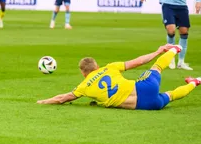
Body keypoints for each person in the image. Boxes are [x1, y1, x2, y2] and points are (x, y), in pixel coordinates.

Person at [37, 44, 201, 110]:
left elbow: (63, 99)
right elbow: (137, 62)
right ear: (97, 67)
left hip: (145, 105)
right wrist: (158, 51)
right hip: (145, 86)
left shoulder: (84, 87)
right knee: (157, 67)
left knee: (170, 96)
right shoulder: (110, 67)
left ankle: (195, 82)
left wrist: (43, 101)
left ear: (83, 73)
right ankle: (174, 49)